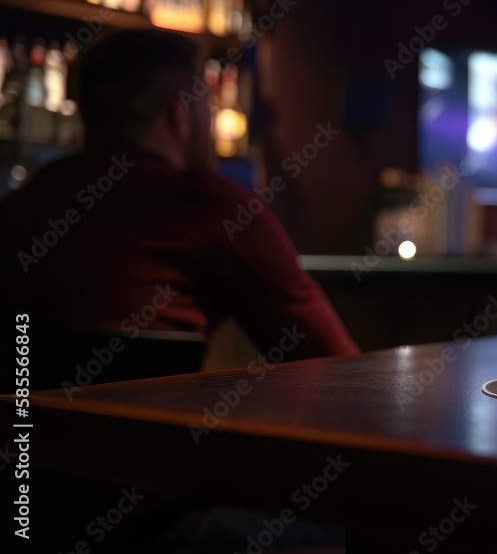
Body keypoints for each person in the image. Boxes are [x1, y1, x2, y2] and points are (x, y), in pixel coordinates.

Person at [0, 29, 359, 389]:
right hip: (151, 443)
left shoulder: (26, 199)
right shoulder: (207, 205)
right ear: (181, 113)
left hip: (22, 440)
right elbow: (336, 367)